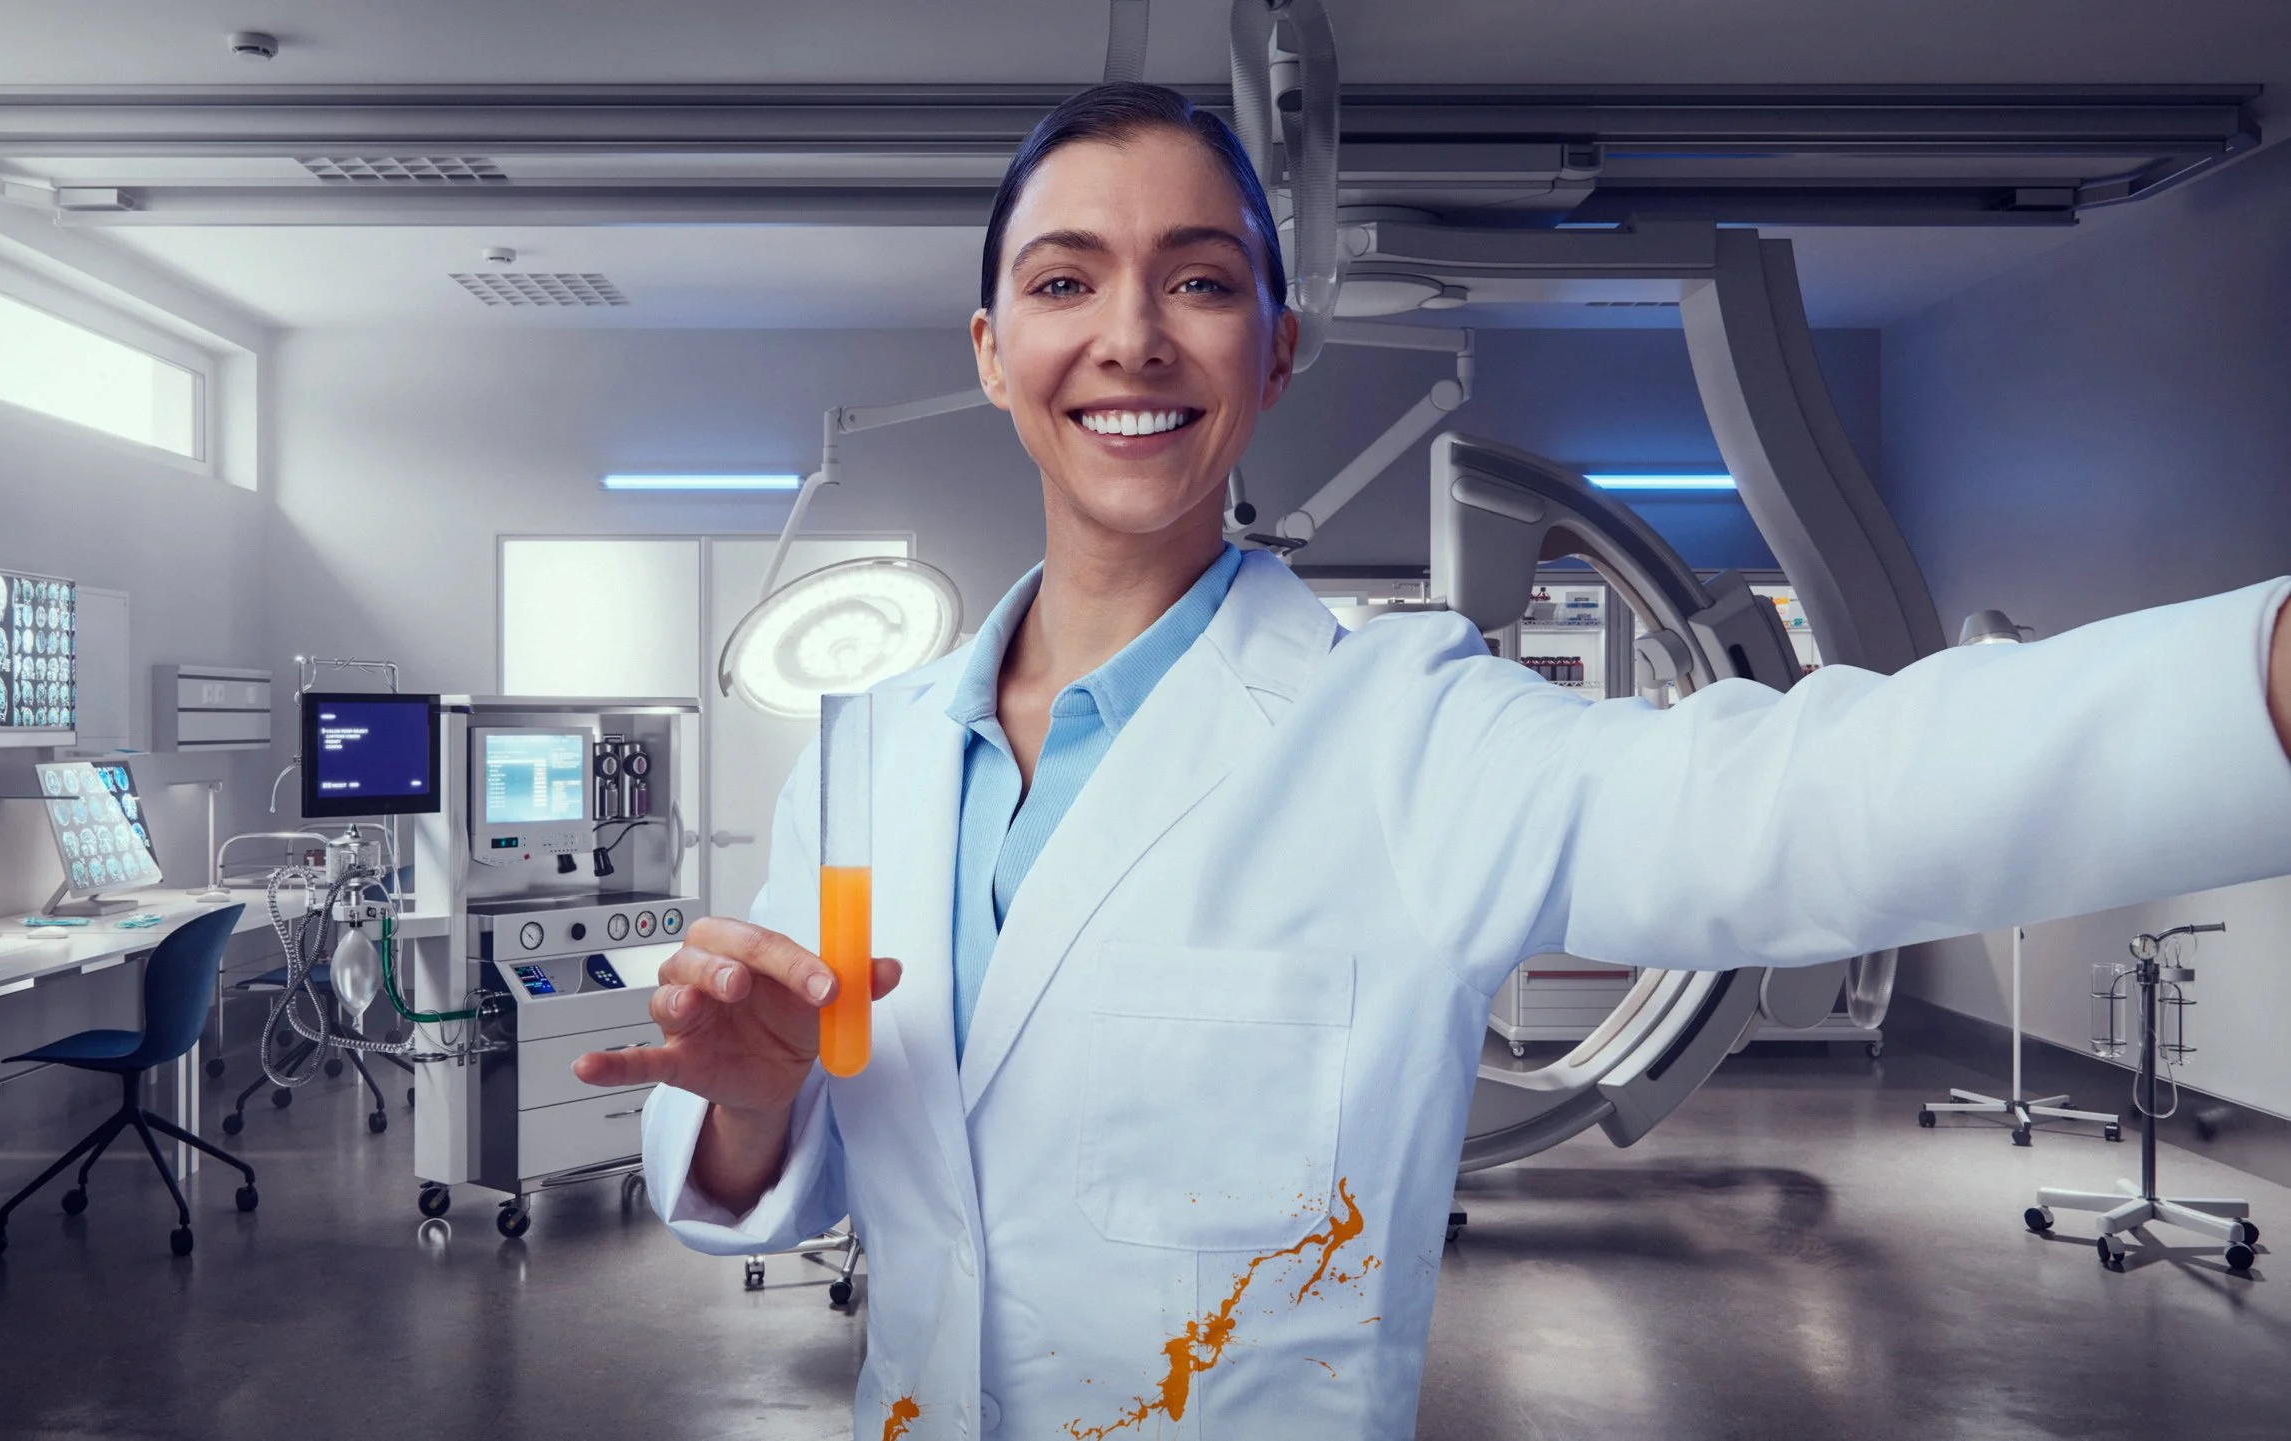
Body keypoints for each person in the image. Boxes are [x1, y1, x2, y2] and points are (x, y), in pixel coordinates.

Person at [576, 83, 2291, 1440]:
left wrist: (2257, 684)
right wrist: (752, 1093)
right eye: (1063, 281)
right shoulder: (865, 762)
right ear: (990, 351)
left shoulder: (1403, 732)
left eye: (1201, 280)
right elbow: (786, 1158)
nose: (1132, 335)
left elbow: (1796, 805)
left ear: (1277, 347)